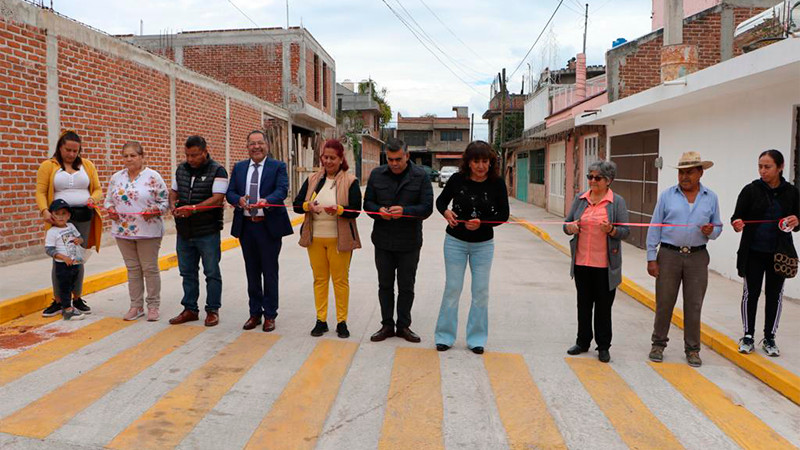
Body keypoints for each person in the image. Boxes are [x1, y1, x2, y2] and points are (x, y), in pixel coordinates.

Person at [647, 151, 722, 367]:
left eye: (689, 172)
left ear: (700, 173)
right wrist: (652, 257)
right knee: (664, 302)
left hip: (697, 257)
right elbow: (654, 227)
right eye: (681, 172)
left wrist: (710, 231)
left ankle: (692, 350)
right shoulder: (667, 196)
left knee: (694, 305)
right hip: (668, 255)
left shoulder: (711, 197)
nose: (684, 176)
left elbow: (718, 226)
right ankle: (658, 344)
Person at [434, 140, 509, 354]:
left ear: (490, 162)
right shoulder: (457, 180)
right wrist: (446, 213)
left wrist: (483, 223)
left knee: (481, 291)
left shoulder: (497, 183)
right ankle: (444, 337)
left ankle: (477, 339)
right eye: (476, 161)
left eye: (485, 161)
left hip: (483, 246)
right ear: (468, 162)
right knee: (453, 288)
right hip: (455, 242)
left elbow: (503, 215)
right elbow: (440, 202)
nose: (481, 166)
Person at [363, 138, 433, 343]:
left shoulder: (420, 176)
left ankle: (403, 326)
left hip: (409, 242)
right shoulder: (377, 175)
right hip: (383, 241)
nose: (394, 163)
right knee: (384, 285)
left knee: (406, 286)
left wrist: (405, 212)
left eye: (398, 159)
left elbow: (427, 207)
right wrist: (378, 211)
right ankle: (386, 325)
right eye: (390, 159)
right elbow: (367, 203)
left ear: (407, 155)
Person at [731, 149, 799, 357]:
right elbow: (736, 218)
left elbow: (797, 221)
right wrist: (737, 224)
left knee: (774, 296)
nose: (763, 170)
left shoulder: (792, 192)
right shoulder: (750, 190)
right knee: (750, 294)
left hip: (779, 254)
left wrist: (797, 221)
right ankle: (748, 335)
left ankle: (769, 337)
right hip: (753, 252)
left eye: (767, 167)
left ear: (780, 167)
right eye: (760, 166)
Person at [293, 139, 361, 338]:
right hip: (315, 239)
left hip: (340, 240)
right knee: (319, 280)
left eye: (333, 158)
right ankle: (321, 320)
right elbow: (298, 205)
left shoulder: (350, 181)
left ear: (341, 159)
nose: (329, 161)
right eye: (325, 157)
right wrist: (308, 206)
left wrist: (339, 210)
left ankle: (342, 322)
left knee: (340, 281)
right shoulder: (313, 179)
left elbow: (356, 210)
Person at [563, 161, 630, 363]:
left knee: (603, 307)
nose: (592, 181)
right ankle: (582, 342)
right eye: (590, 177)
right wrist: (571, 228)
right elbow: (566, 224)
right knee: (583, 305)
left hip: (605, 266)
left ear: (608, 180)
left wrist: (611, 230)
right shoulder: (580, 199)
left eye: (597, 178)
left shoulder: (616, 202)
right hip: (582, 263)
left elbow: (625, 232)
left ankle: (603, 346)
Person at [227, 130, 293, 332]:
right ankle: (254, 312)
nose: (256, 147)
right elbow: (230, 192)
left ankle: (270, 314)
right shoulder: (239, 168)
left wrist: (268, 201)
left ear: (267, 145)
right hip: (247, 227)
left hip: (268, 226)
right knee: (252, 271)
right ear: (247, 147)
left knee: (270, 271)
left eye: (260, 143)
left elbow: (282, 190)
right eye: (252, 144)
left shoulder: (278, 167)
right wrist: (238, 199)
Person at [36, 130, 103, 317]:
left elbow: (98, 189)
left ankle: (77, 298)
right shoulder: (48, 166)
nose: (72, 154)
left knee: (77, 257)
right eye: (68, 150)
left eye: (76, 151)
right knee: (59, 259)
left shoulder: (87, 165)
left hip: (83, 216)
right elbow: (40, 191)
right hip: (58, 218)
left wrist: (92, 198)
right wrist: (44, 211)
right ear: (59, 147)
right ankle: (58, 300)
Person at [104, 142, 169, 322]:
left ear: (141, 156)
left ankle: (153, 306)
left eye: (133, 155)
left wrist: (154, 210)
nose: (129, 159)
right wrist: (110, 210)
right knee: (132, 269)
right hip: (123, 231)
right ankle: (136, 306)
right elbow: (108, 200)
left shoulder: (153, 177)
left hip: (148, 231)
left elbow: (165, 202)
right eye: (125, 156)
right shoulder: (117, 177)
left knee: (149, 269)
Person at [168, 135, 228, 327]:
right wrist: (172, 205)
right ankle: (190, 309)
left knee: (211, 272)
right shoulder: (181, 169)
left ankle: (212, 310)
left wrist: (193, 209)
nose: (190, 159)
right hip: (184, 231)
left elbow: (218, 198)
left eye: (194, 155)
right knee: (187, 272)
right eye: (187, 155)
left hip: (207, 231)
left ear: (204, 151)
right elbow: (174, 191)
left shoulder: (218, 170)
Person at [44, 199, 87, 321]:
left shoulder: (71, 226)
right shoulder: (52, 232)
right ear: (52, 215)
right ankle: (67, 310)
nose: (61, 217)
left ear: (69, 215)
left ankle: (73, 304)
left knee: (73, 284)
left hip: (75, 262)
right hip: (63, 265)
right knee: (65, 287)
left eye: (64, 214)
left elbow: (80, 238)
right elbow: (49, 250)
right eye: (57, 214)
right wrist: (63, 257)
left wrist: (80, 241)